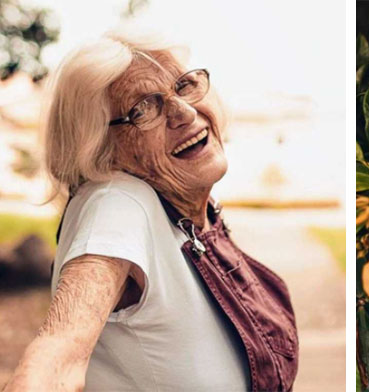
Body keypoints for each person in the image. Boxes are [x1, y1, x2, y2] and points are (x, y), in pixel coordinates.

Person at [4, 28, 298, 391]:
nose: (184, 113)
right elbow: (58, 356)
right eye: (143, 109)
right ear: (100, 148)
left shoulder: (183, 207)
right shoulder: (118, 202)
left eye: (184, 86)